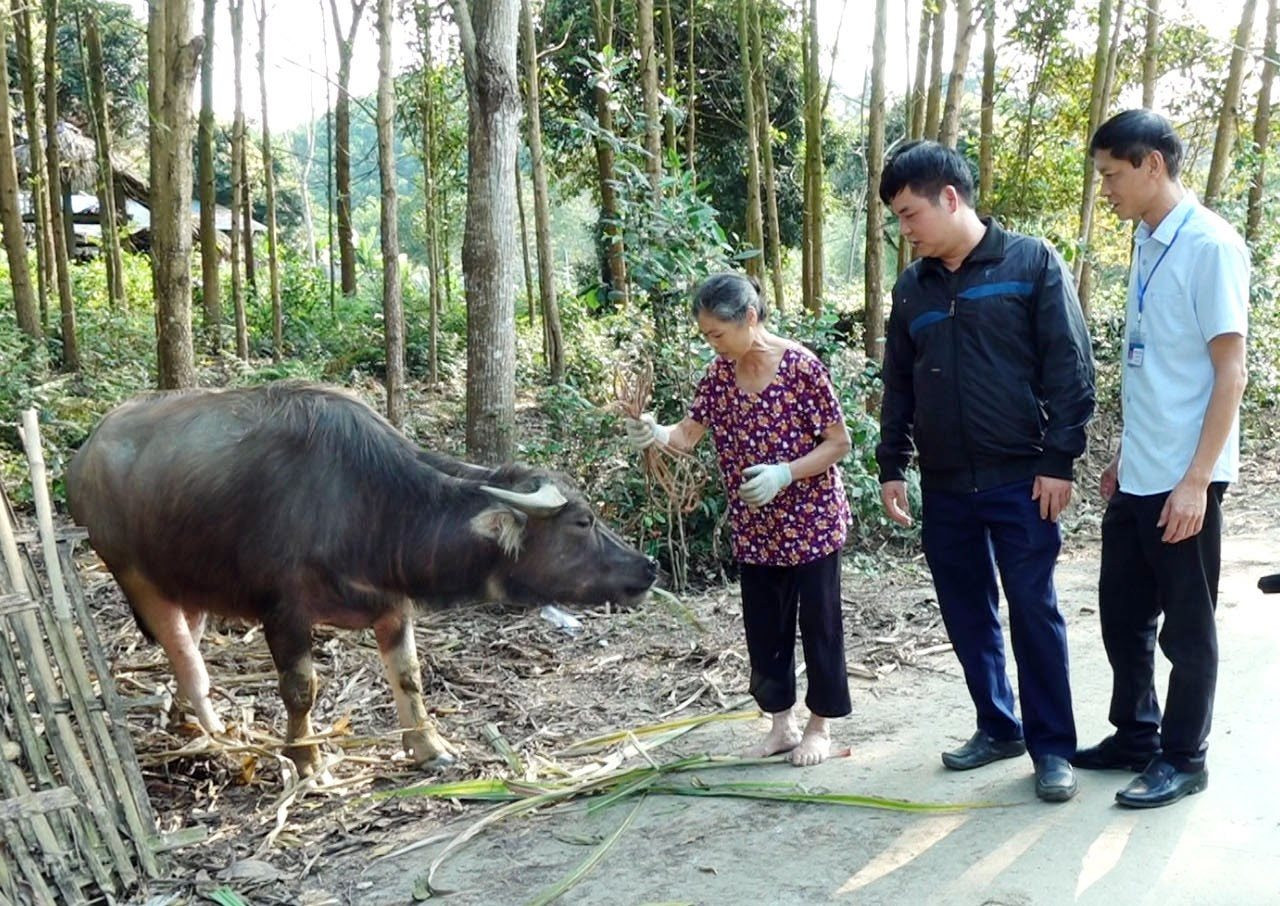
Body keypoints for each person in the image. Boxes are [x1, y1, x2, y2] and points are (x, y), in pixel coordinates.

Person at [875, 141, 1095, 803]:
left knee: (1033, 611)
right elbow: (899, 384)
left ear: (950, 198)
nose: (905, 230)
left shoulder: (1029, 263)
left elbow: (1071, 371)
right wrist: (892, 464)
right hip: (945, 485)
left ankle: (1052, 749)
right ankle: (997, 725)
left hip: (1022, 479)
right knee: (967, 610)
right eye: (898, 219)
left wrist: (1060, 460)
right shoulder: (913, 287)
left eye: (911, 214)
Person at [1073, 110, 1248, 809]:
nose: (1106, 189)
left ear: (1152, 165)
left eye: (1113, 175)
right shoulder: (1149, 241)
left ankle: (1185, 756)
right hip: (1139, 473)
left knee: (1188, 626)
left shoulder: (1210, 246)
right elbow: (1156, 366)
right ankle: (1137, 735)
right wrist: (1123, 454)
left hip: (1185, 480)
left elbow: (1229, 371)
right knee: (1122, 614)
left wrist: (1197, 481)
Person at [624, 271, 853, 766]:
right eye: (706, 335)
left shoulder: (802, 369)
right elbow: (686, 437)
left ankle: (820, 726)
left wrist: (785, 474)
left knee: (820, 624)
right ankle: (782, 723)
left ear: (749, 318)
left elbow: (839, 444)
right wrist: (654, 432)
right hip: (756, 529)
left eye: (718, 334)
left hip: (811, 523)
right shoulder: (719, 377)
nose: (714, 345)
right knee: (765, 628)